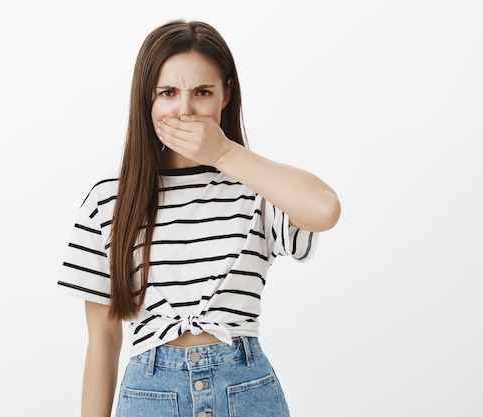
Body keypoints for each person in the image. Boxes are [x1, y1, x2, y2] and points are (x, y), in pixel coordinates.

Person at [58, 19, 340, 417]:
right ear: (147, 100)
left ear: (226, 93)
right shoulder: (109, 201)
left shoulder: (257, 188)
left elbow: (325, 209)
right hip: (149, 397)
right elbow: (102, 341)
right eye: (168, 93)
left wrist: (225, 154)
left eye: (202, 92)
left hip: (246, 392)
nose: (185, 109)